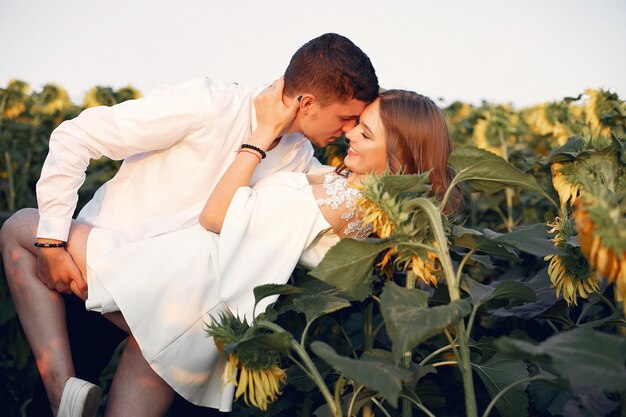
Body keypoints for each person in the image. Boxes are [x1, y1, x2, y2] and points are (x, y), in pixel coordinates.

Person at [2, 86, 456, 417]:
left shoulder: (343, 204)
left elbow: (217, 217)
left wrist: (257, 138)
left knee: (23, 229)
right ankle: (66, 397)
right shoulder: (352, 196)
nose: (350, 134)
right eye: (353, 121)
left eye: (365, 132)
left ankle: (61, 390)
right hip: (204, 312)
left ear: (396, 153)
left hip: (178, 290)